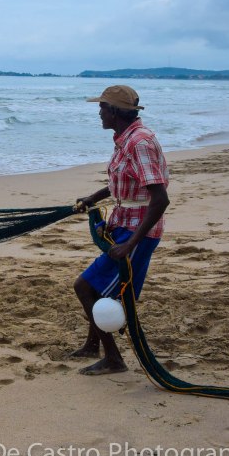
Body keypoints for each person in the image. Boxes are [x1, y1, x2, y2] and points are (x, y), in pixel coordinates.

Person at [71, 85, 169, 376]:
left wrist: (130, 244)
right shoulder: (126, 139)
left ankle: (113, 358)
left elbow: (160, 199)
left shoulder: (139, 143)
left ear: (114, 111)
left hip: (137, 230)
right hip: (124, 223)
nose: (99, 113)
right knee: (98, 288)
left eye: (102, 107)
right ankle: (92, 345)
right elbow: (125, 181)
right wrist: (93, 198)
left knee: (85, 287)